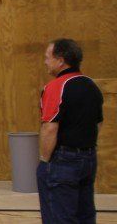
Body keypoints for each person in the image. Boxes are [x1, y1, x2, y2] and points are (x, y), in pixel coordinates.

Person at [37, 38, 103, 224]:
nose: (45, 62)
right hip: (88, 159)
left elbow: (50, 127)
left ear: (61, 60)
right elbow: (97, 123)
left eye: (48, 57)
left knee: (59, 217)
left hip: (63, 162)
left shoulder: (55, 87)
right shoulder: (92, 86)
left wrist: (44, 161)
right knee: (85, 215)